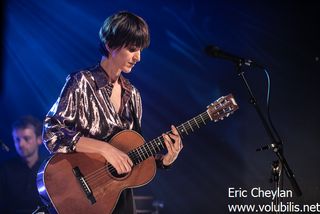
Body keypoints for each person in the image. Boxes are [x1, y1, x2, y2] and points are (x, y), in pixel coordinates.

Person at [43, 11, 183, 213]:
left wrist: (164, 160)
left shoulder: (133, 94)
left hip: (118, 195)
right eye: (133, 49)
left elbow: (132, 154)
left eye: (141, 50)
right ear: (110, 45)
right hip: (82, 193)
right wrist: (104, 149)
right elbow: (51, 133)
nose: (138, 58)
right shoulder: (81, 82)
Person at [0, 115, 45, 213]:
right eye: (17, 139)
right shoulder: (5, 169)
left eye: (26, 138)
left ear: (39, 139)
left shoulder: (48, 168)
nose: (21, 144)